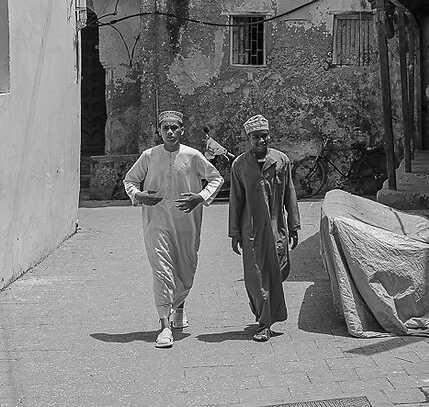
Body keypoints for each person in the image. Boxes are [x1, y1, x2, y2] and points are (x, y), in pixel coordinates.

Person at [124, 109, 223, 346]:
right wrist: (139, 196)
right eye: (165, 128)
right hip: (156, 222)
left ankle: (179, 308)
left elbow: (216, 178)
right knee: (162, 272)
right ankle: (164, 326)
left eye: (174, 128)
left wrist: (200, 197)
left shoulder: (193, 155)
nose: (170, 132)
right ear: (159, 131)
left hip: (186, 222)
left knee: (184, 268)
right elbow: (130, 180)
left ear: (182, 130)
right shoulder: (149, 156)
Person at [228, 113, 300, 342]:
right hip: (251, 231)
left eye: (265, 136)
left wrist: (294, 225)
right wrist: (235, 233)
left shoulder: (281, 161)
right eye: (256, 137)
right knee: (256, 278)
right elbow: (236, 200)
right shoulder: (239, 165)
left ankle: (267, 315)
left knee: (277, 271)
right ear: (248, 139)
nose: (262, 141)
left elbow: (290, 194)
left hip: (277, 227)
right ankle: (265, 323)